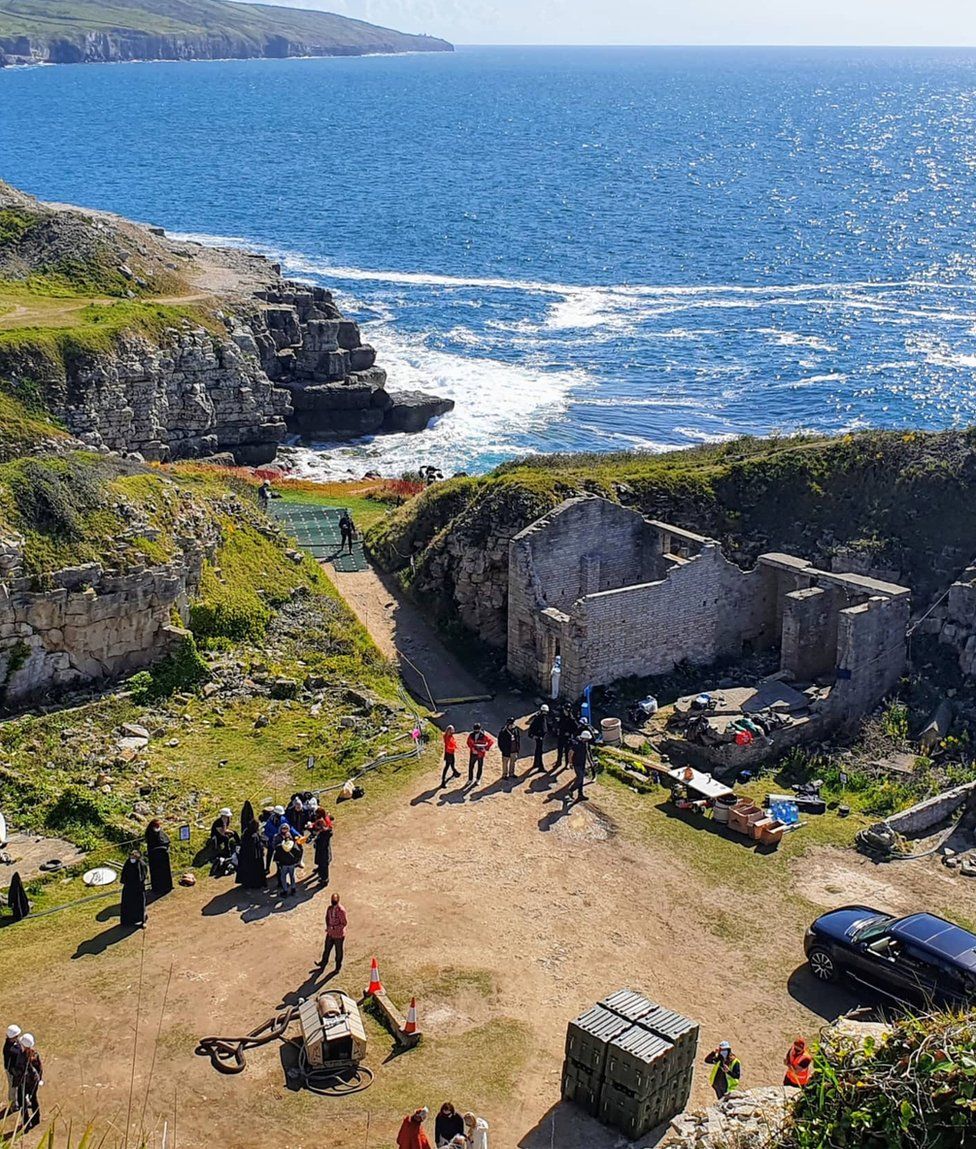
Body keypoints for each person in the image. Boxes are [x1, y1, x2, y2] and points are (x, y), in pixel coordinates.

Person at [14, 1033, 41, 1133]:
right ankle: (36, 1119)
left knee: (22, 1102)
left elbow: (19, 1072)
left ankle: (26, 1122)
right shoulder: (35, 1054)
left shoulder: (21, 1057)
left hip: (24, 1083)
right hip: (34, 1082)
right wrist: (39, 1079)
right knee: (34, 1099)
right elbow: (40, 1068)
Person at [235, 819, 267, 890]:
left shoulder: (246, 832)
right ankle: (256, 884)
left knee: (247, 871)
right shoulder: (254, 835)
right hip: (255, 857)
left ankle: (247, 884)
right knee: (255, 871)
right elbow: (257, 846)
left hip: (246, 856)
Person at [144, 819, 173, 897]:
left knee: (165, 873)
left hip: (163, 857)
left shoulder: (160, 831)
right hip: (155, 858)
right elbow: (152, 844)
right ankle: (158, 889)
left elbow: (166, 840)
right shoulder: (150, 833)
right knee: (157, 875)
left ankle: (166, 887)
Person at [119, 850, 148, 928]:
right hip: (128, 887)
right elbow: (124, 873)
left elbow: (143, 875)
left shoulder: (142, 864)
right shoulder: (128, 863)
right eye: (131, 857)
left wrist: (140, 884)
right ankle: (127, 921)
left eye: (133, 857)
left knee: (140, 904)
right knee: (127, 904)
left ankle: (142, 920)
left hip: (138, 888)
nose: (132, 859)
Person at [319, 892, 347, 972]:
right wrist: (328, 926)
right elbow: (327, 918)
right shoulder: (329, 908)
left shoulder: (341, 910)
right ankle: (323, 963)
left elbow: (344, 923)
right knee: (327, 949)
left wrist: (334, 927)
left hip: (338, 935)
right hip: (330, 934)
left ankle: (338, 967)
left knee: (338, 952)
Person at [273, 825, 303, 896]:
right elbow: (299, 852)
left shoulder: (280, 846)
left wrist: (278, 861)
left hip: (284, 864)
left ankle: (285, 891)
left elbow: (277, 853)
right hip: (292, 864)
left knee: (283, 877)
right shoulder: (293, 845)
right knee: (292, 876)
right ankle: (293, 889)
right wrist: (297, 860)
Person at [262, 805, 290, 875]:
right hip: (271, 841)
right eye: (279, 815)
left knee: (279, 857)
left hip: (280, 842)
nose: (280, 816)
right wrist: (273, 835)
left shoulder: (283, 819)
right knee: (269, 854)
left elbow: (288, 828)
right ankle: (267, 868)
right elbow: (267, 831)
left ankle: (279, 871)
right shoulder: (269, 821)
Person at [570, 729, 593, 802]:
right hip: (576, 764)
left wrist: (590, 762)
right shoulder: (576, 744)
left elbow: (587, 753)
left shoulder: (585, 744)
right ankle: (571, 789)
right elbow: (570, 753)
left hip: (582, 763)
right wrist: (570, 763)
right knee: (580, 777)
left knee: (582, 779)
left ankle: (580, 794)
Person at [554, 705, 579, 771]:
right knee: (560, 749)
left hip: (567, 738)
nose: (564, 711)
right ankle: (558, 762)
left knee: (567, 751)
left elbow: (576, 728)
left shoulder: (572, 719)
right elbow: (559, 724)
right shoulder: (562, 716)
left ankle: (567, 764)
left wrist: (570, 733)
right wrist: (558, 729)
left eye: (566, 710)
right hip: (561, 736)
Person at [4, 1025, 22, 1110]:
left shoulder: (15, 1043)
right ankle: (13, 1105)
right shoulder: (9, 1049)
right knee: (13, 1088)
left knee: (19, 1086)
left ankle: (19, 1101)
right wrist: (15, 1073)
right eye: (16, 1036)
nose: (18, 1038)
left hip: (17, 1070)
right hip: (12, 1071)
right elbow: (10, 1064)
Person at [313, 812, 333, 886]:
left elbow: (322, 843)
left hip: (324, 853)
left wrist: (316, 839)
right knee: (321, 866)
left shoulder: (325, 834)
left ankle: (324, 880)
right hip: (321, 852)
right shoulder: (323, 833)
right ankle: (322, 877)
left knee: (324, 867)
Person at [527, 705, 550, 772]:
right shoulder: (538, 718)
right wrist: (532, 735)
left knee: (538, 751)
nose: (545, 713)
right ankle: (540, 766)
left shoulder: (543, 717)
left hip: (541, 736)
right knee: (539, 752)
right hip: (538, 737)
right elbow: (532, 727)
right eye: (544, 712)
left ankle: (536, 763)